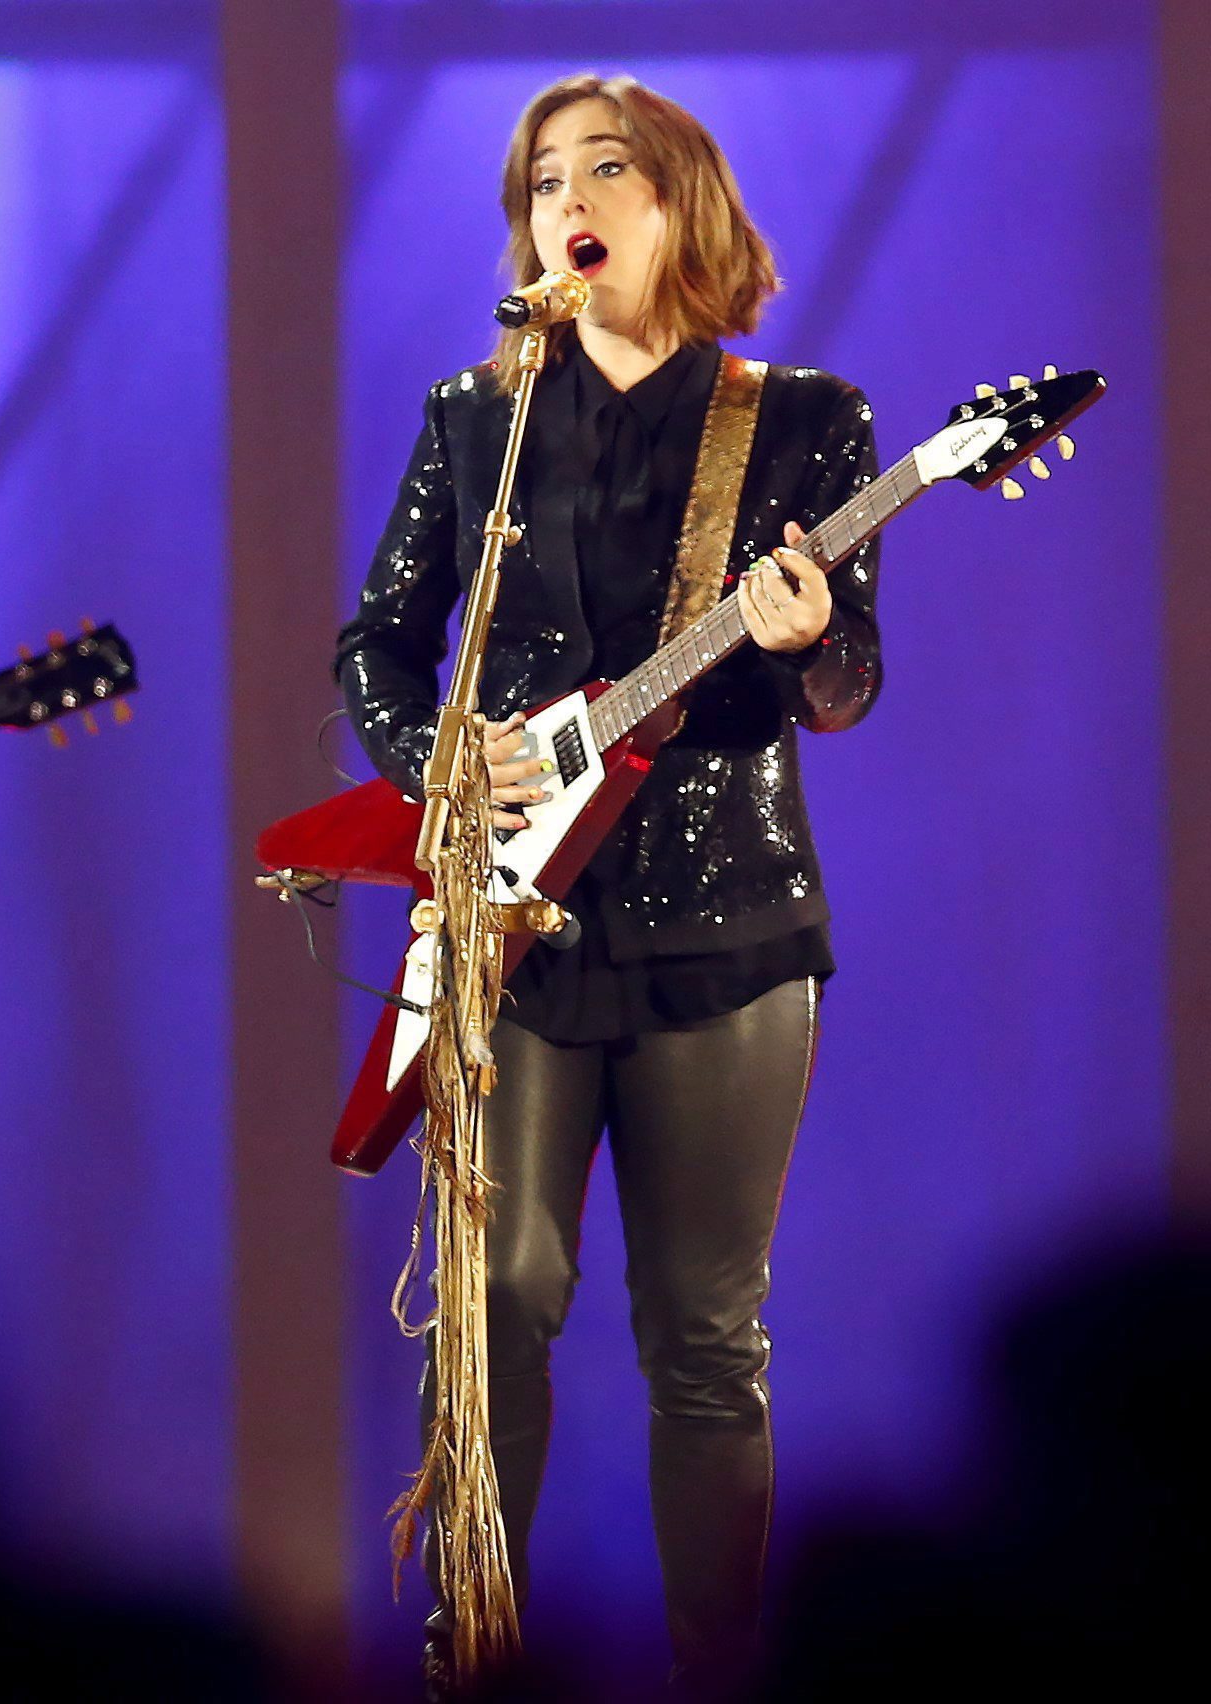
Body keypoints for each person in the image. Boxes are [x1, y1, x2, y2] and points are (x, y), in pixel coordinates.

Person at [336, 75, 884, 1694]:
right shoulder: (477, 422)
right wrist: (440, 765)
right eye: (537, 184)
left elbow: (851, 678)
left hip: (731, 931)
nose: (563, 202)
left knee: (705, 1340)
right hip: (522, 925)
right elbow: (379, 639)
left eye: (603, 171)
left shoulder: (800, 421)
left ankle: (721, 1672)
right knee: (497, 1297)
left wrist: (804, 639)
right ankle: (475, 1656)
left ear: (678, 207)